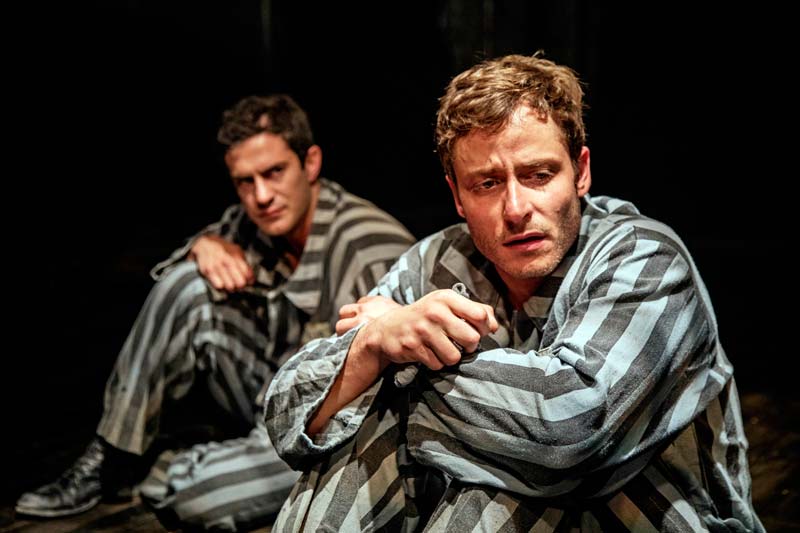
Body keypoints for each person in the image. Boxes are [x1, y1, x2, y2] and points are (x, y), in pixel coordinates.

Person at [263, 54, 764, 532]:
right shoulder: (434, 261)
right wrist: (373, 344)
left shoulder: (644, 256)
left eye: (539, 175)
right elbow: (287, 415)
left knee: (513, 468)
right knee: (375, 432)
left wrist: (394, 373)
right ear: (457, 196)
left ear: (581, 172)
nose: (516, 208)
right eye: (486, 184)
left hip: (653, 518)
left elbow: (568, 431)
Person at [15, 94, 416, 531]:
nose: (261, 196)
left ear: (311, 163)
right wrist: (202, 247)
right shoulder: (256, 221)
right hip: (270, 396)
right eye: (245, 182)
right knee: (186, 284)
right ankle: (112, 456)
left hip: (336, 430)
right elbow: (188, 276)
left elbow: (391, 406)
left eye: (274, 172)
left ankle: (169, 464)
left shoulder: (368, 247)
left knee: (200, 497)